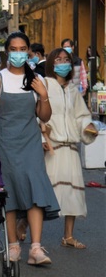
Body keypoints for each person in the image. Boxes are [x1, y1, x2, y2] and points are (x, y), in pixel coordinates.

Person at [0, 31, 60, 266]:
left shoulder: (36, 80)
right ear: (7, 52)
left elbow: (45, 115)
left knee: (35, 192)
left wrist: (43, 95)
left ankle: (35, 247)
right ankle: (13, 246)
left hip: (30, 142)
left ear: (29, 51)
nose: (19, 53)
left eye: (23, 48)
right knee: (9, 193)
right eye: (14, 49)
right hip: (5, 142)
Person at [42, 47, 97, 249]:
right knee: (44, 191)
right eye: (59, 59)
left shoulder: (73, 90)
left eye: (66, 59)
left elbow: (81, 116)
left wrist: (88, 127)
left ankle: (68, 236)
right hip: (50, 147)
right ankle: (24, 225)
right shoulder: (44, 85)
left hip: (70, 148)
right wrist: (42, 134)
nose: (63, 62)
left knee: (72, 192)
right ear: (51, 63)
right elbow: (37, 113)